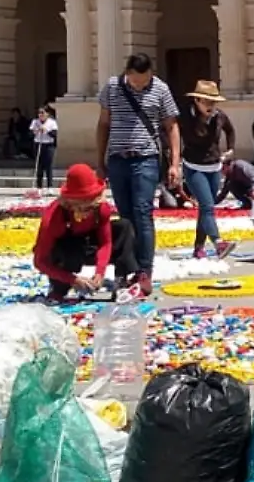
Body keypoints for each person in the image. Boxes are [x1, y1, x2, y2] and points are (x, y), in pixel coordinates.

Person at [96, 53, 181, 296]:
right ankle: (125, 268)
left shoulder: (161, 89)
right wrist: (100, 161)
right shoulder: (112, 87)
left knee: (143, 212)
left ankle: (144, 271)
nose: (140, 86)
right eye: (136, 82)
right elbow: (103, 124)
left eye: (144, 82)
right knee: (125, 217)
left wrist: (175, 163)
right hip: (117, 159)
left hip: (146, 159)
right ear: (127, 73)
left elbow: (172, 126)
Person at [31, 164, 134, 301]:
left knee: (124, 227)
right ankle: (59, 288)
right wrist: (71, 279)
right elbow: (40, 261)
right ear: (69, 202)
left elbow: (106, 243)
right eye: (81, 208)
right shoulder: (53, 218)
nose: (86, 214)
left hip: (89, 244)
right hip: (67, 251)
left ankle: (121, 281)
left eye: (90, 207)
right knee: (67, 248)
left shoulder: (101, 208)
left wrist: (100, 272)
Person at [177, 80, 236, 259]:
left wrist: (230, 149)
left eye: (213, 102)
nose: (211, 106)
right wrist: (173, 158)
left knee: (205, 209)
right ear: (197, 101)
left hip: (214, 166)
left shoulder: (219, 116)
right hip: (194, 167)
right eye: (207, 102)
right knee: (207, 206)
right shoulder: (186, 117)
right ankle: (218, 243)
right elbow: (170, 132)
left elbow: (230, 130)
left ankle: (199, 248)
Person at [28, 105, 59, 190]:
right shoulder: (35, 122)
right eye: (39, 113)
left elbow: (54, 135)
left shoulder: (52, 122)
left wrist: (46, 130)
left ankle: (50, 186)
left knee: (48, 166)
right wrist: (36, 131)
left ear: (47, 114)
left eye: (42, 113)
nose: (40, 114)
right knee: (39, 166)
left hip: (48, 145)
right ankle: (39, 186)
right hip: (38, 144)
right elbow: (30, 134)